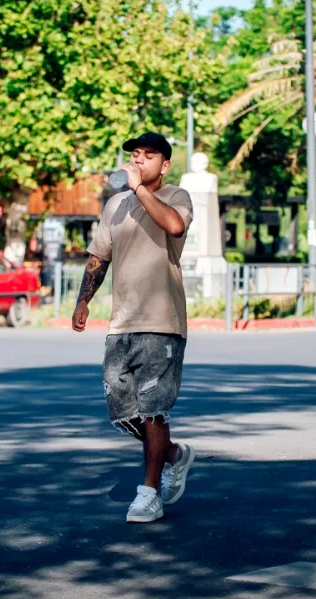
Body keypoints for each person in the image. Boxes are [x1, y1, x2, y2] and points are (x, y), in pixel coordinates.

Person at [73, 131, 196, 524]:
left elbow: (174, 227)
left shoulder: (177, 197)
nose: (139, 160)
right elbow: (98, 257)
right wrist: (83, 299)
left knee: (153, 410)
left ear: (165, 164)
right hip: (122, 322)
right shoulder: (115, 206)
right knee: (123, 411)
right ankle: (174, 455)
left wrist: (140, 190)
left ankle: (148, 493)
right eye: (135, 155)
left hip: (162, 322)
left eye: (148, 155)